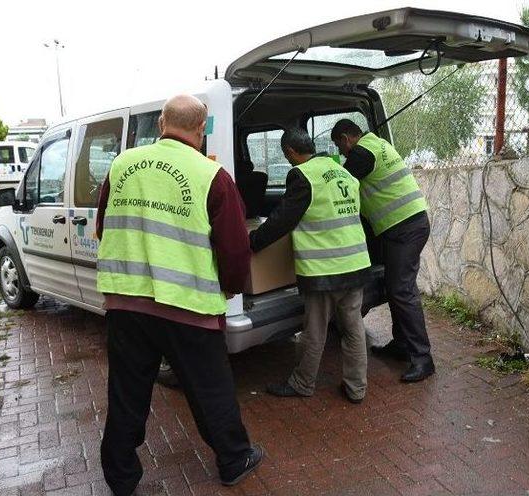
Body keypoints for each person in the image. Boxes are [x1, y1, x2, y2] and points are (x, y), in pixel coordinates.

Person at [96, 94, 263, 495]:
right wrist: (230, 287)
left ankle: (120, 477)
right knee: (210, 390)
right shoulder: (211, 175)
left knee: (127, 392)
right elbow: (236, 249)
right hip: (188, 308)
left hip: (126, 302)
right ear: (201, 129)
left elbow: (104, 226)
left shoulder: (120, 165)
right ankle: (234, 459)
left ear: (161, 125)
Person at [249, 128, 371, 403]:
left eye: (285, 154)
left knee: (315, 331)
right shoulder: (342, 171)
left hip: (324, 270)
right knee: (353, 330)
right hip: (355, 264)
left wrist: (252, 242)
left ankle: (302, 383)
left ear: (291, 152)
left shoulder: (303, 176)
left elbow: (282, 220)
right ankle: (356, 388)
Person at [330, 119, 435, 382]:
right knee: (395, 287)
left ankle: (422, 358)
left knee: (402, 289)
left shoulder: (362, 153)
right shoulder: (379, 144)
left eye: (340, 148)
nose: (343, 153)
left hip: (404, 227)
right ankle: (401, 344)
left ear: (346, 138)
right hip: (407, 224)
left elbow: (340, 182)